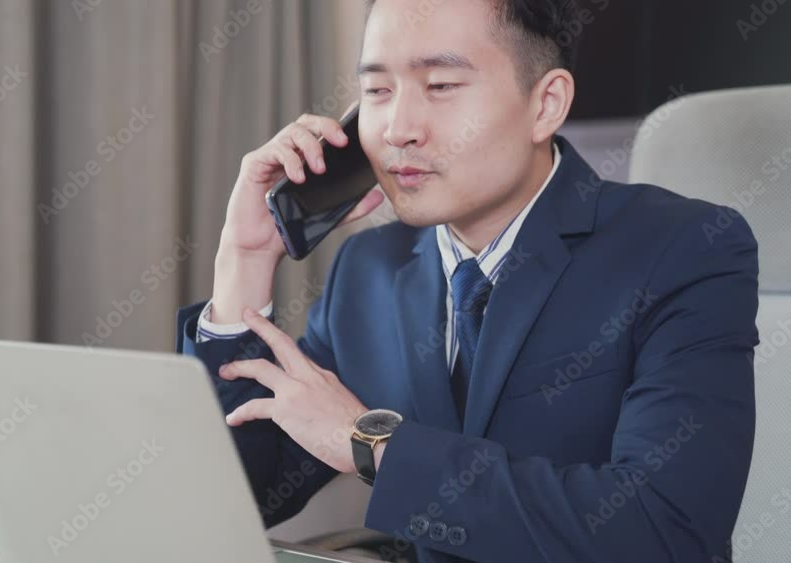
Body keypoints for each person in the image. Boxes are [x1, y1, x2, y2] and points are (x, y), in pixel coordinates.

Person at [176, 1, 759, 561]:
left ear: (545, 104)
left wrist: (369, 443)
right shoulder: (369, 270)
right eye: (377, 90)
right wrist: (245, 261)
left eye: (441, 87)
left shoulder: (683, 249)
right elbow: (239, 495)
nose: (399, 128)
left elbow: (663, 532)